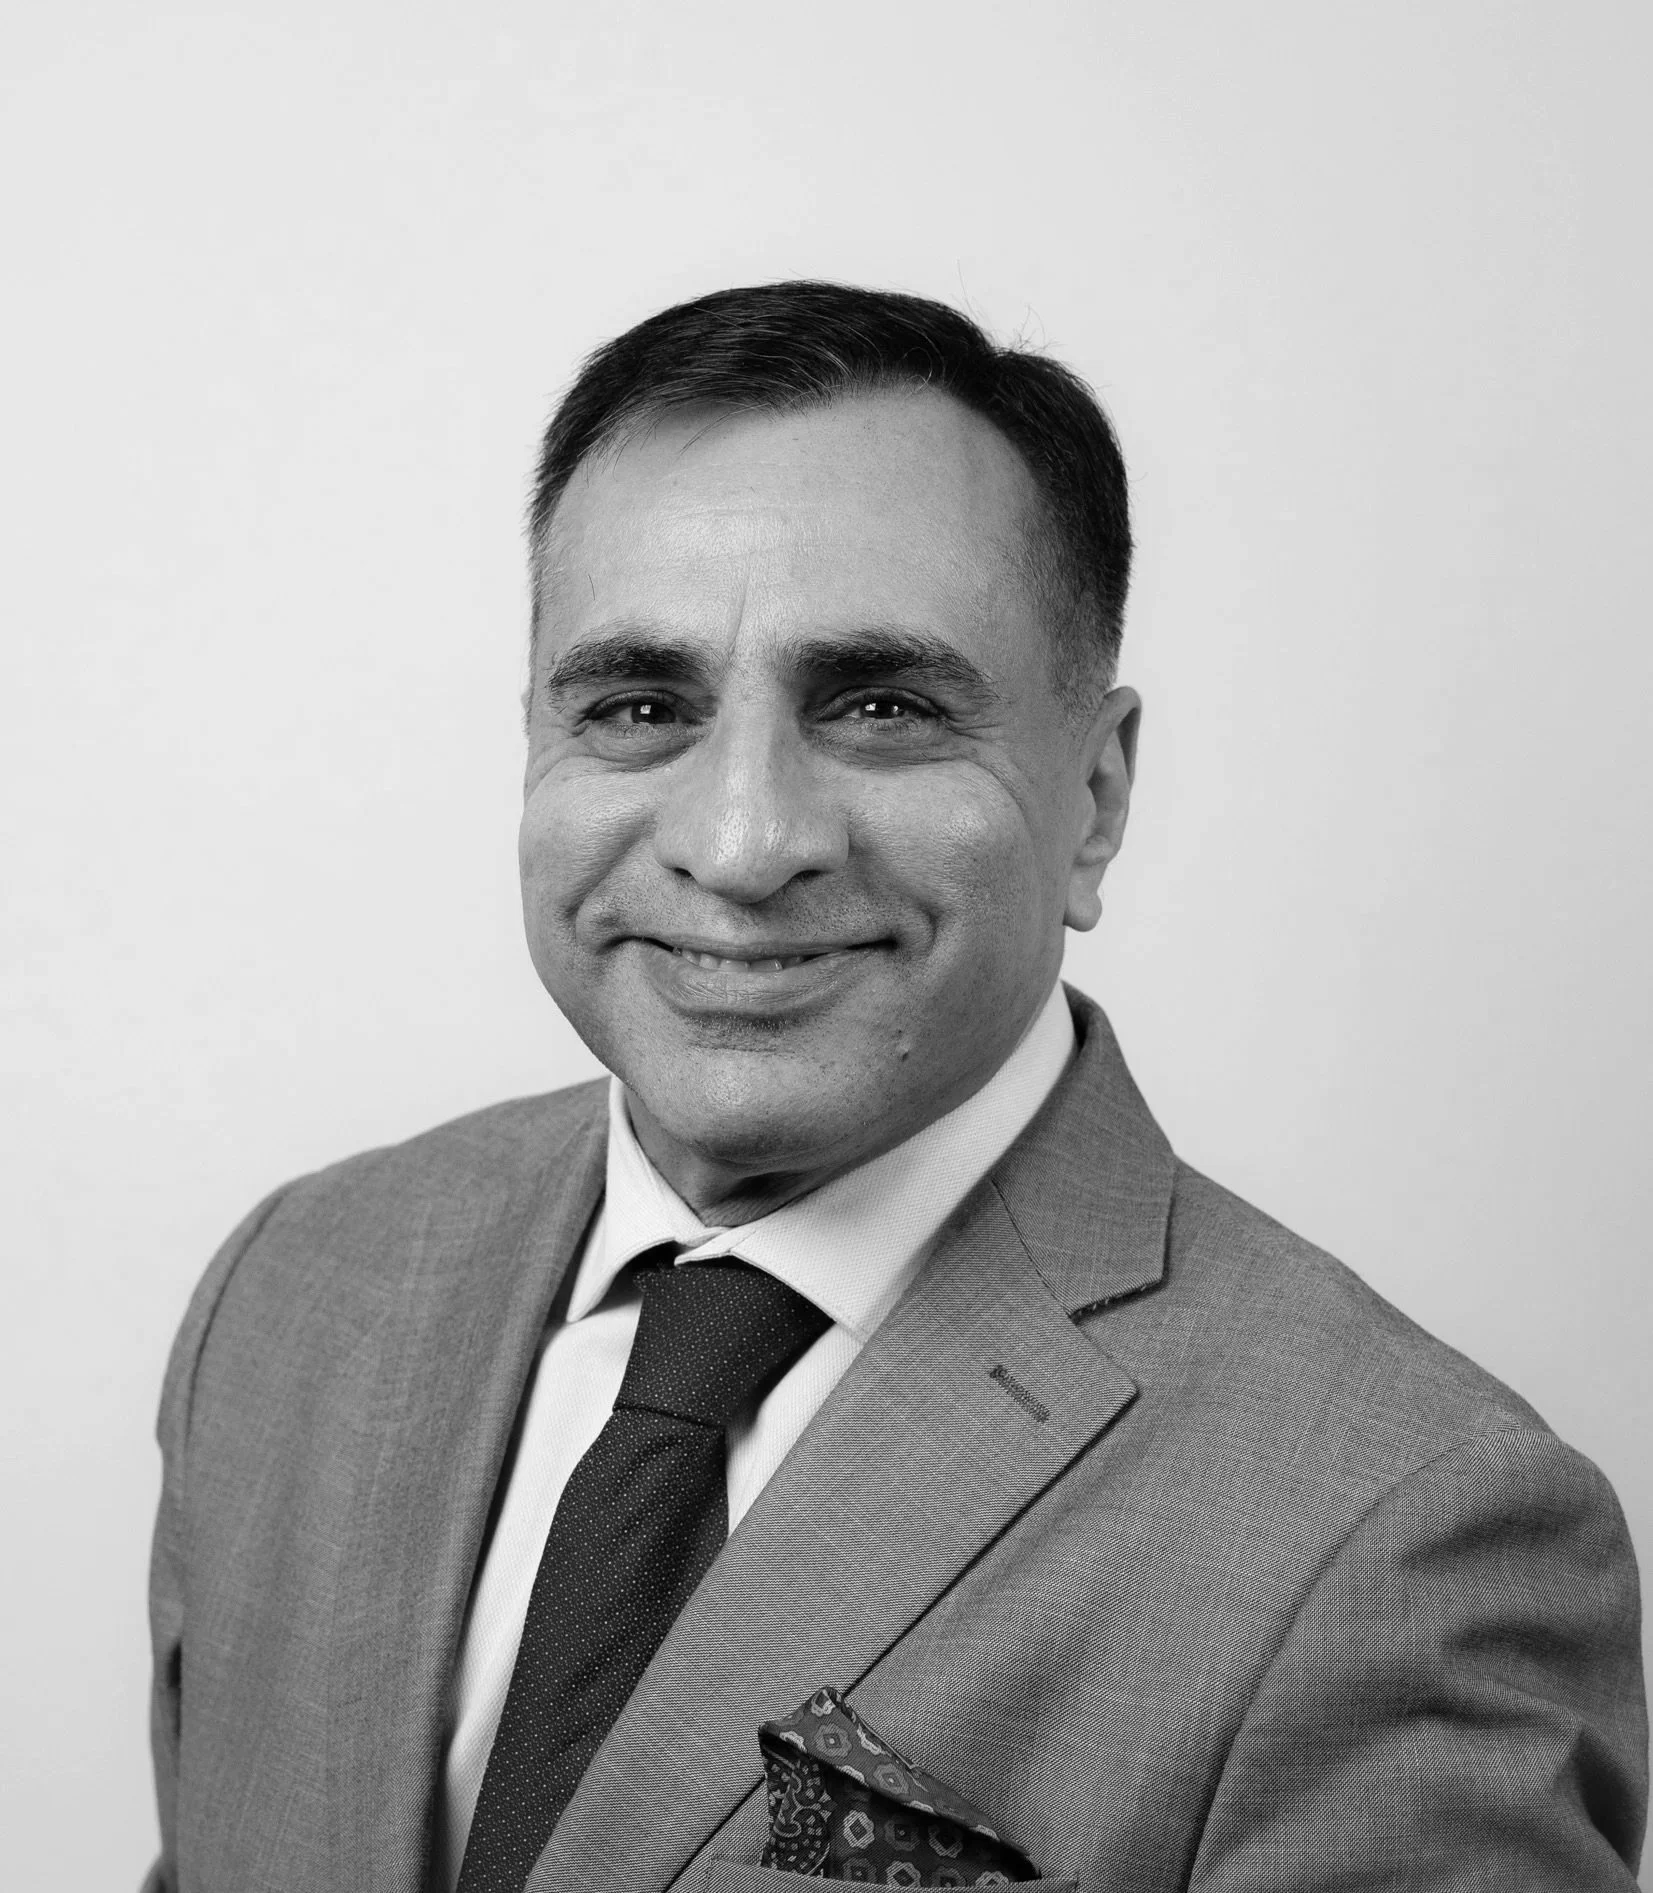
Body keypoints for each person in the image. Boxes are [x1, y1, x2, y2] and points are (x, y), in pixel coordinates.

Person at [143, 281, 1647, 1893]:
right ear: (536, 745)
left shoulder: (1404, 1539)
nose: (739, 843)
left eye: (882, 708)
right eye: (640, 707)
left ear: (1096, 795)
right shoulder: (295, 1295)